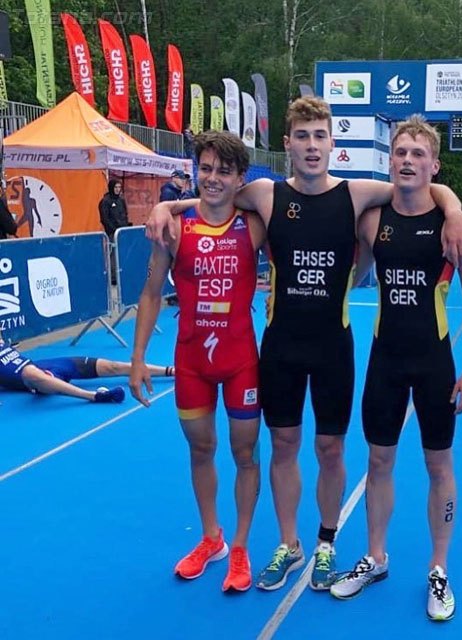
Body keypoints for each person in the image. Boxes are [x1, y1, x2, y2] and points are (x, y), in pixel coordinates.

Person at [145, 96, 462, 592]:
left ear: (332, 143)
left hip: (333, 349)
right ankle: (288, 543)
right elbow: (214, 197)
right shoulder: (266, 194)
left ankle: (326, 543)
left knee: (330, 448)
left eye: (320, 136)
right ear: (289, 144)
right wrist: (166, 205)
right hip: (281, 347)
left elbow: (420, 184)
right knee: (283, 445)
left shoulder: (356, 195)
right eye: (302, 137)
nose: (312, 146)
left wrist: (454, 209)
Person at [328, 115, 462, 623]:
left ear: (434, 165)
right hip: (386, 362)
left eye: (419, 154)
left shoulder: (453, 227)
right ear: (390, 160)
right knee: (378, 462)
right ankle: (375, 557)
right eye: (401, 152)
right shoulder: (373, 221)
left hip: (435, 363)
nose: (408, 160)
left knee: (439, 466)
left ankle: (439, 568)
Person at [129, 130, 266, 593]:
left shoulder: (255, 224)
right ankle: (212, 538)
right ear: (194, 171)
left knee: (245, 454)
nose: (213, 178)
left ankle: (241, 546)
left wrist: (170, 203)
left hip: (241, 361)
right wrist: (138, 359)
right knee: (201, 449)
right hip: (191, 361)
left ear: (240, 177)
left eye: (224, 171)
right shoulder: (173, 229)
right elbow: (151, 293)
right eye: (205, 169)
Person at [0, 337, 173, 403]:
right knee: (30, 372)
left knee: (112, 366)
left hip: (47, 365)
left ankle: (170, 371)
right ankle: (94, 396)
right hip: (30, 379)